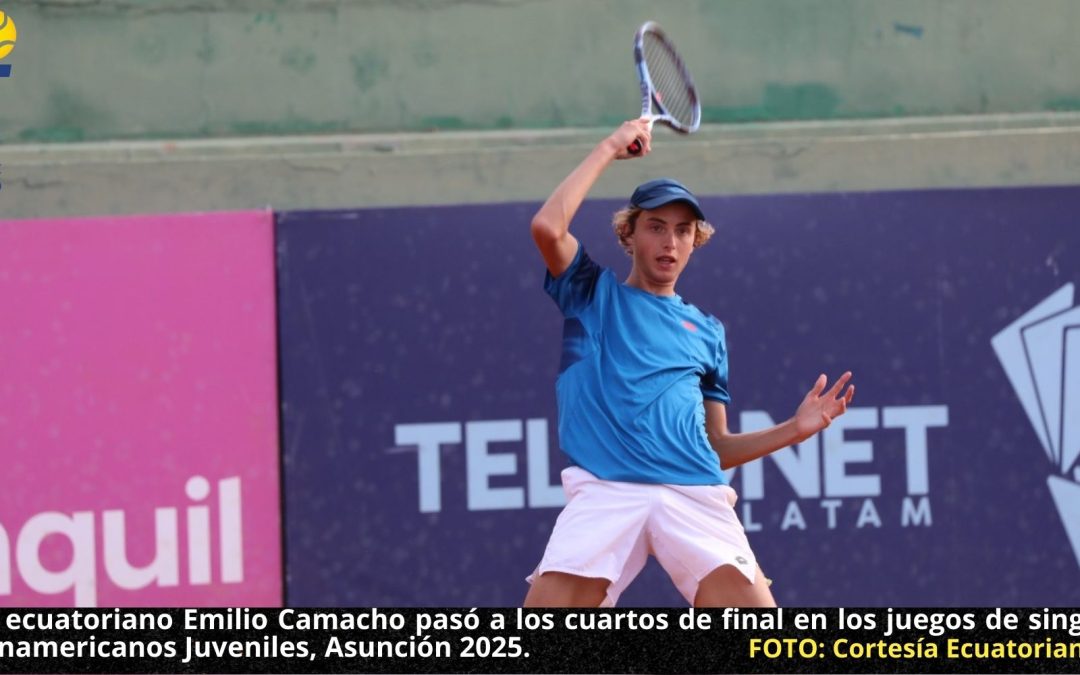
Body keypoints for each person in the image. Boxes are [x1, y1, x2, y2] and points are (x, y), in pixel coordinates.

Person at [524, 118, 855, 608]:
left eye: (683, 231)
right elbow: (547, 228)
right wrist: (612, 146)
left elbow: (716, 445)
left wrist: (795, 429)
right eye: (656, 227)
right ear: (628, 234)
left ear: (695, 241)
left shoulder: (708, 332)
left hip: (692, 492)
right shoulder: (592, 293)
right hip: (607, 491)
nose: (670, 243)